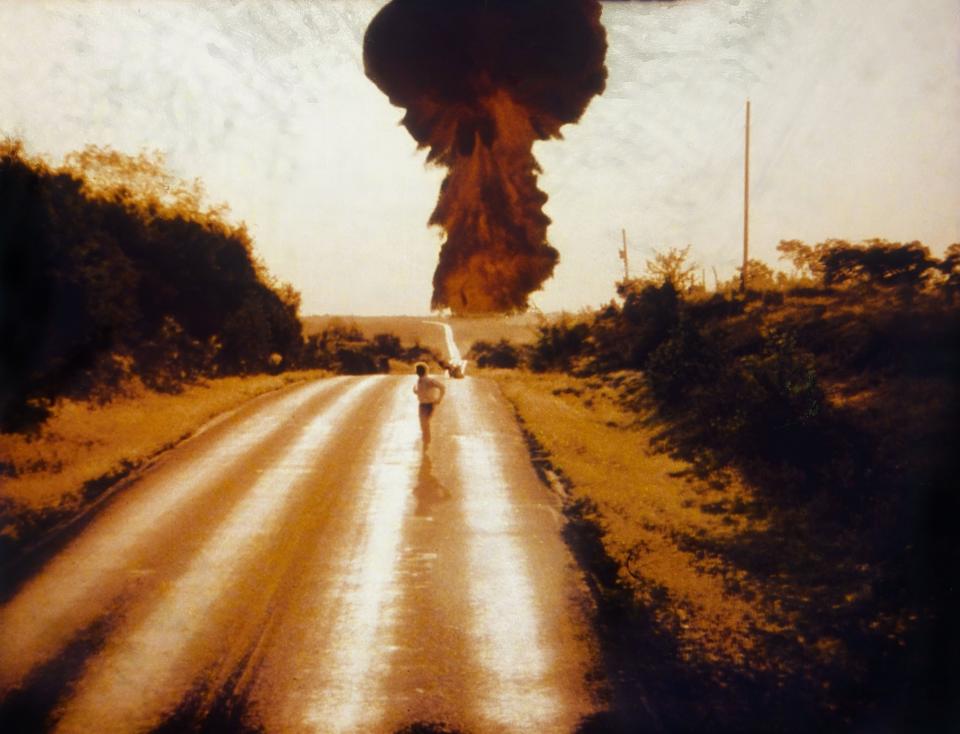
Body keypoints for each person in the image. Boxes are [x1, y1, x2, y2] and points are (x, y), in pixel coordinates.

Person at [413, 362, 445, 448]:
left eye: (417, 370)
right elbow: (423, 391)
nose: (416, 372)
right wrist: (416, 391)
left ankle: (426, 440)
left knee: (424, 422)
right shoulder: (420, 380)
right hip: (422, 404)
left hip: (428, 404)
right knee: (423, 422)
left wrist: (439, 399)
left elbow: (442, 387)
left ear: (421, 371)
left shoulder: (428, 380)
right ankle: (426, 439)